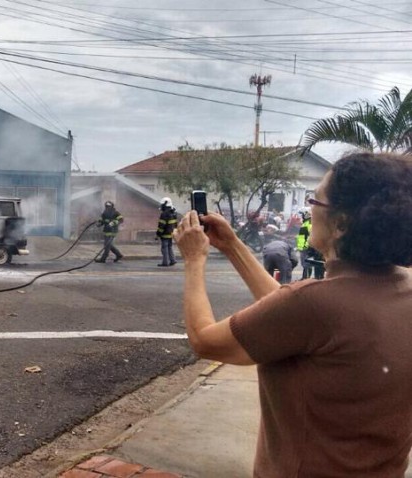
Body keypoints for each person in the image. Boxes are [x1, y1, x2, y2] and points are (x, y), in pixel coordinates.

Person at [173, 152, 412, 476]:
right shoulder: (399, 290)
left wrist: (193, 259)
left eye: (316, 200)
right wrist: (231, 245)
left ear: (341, 224)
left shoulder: (316, 304)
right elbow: (294, 319)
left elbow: (205, 341)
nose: (310, 209)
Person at [156, 197, 178, 267]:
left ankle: (165, 262)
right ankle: (172, 260)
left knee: (164, 248)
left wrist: (158, 234)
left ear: (165, 204)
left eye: (162, 205)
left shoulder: (164, 214)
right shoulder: (174, 212)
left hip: (165, 234)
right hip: (171, 233)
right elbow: (175, 224)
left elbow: (161, 225)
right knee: (169, 247)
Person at [296, 208, 313, 279]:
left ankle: (306, 278)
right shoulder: (307, 223)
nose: (301, 216)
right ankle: (304, 277)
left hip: (305, 248)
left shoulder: (307, 224)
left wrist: (305, 247)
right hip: (304, 247)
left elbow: (308, 236)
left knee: (306, 264)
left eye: (302, 215)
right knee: (306, 264)